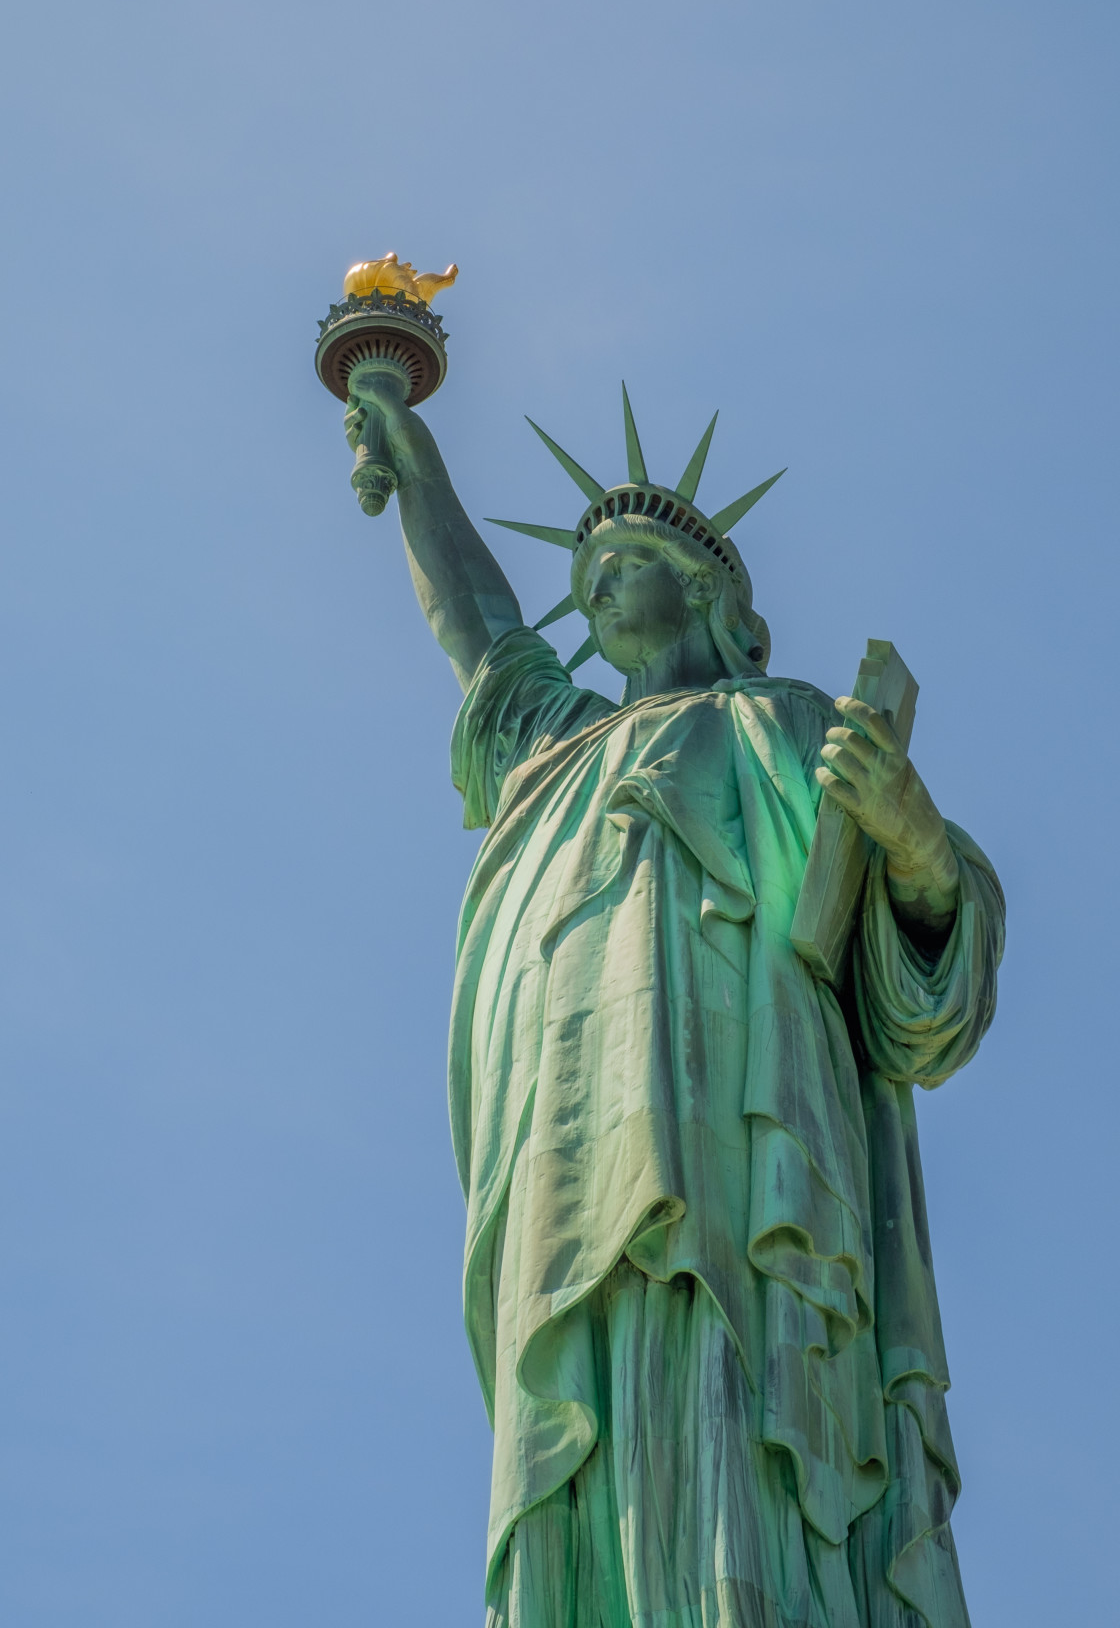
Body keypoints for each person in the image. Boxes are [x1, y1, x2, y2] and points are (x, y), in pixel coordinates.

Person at [343, 382, 1004, 1628]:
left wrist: (915, 848)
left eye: (621, 561)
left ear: (705, 588)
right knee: (590, 1458)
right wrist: (418, 469)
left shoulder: (791, 729)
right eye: (584, 572)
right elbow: (484, 638)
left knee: (733, 1430)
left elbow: (926, 1003)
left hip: (751, 1170)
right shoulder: (557, 757)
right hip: (569, 1169)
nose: (592, 588)